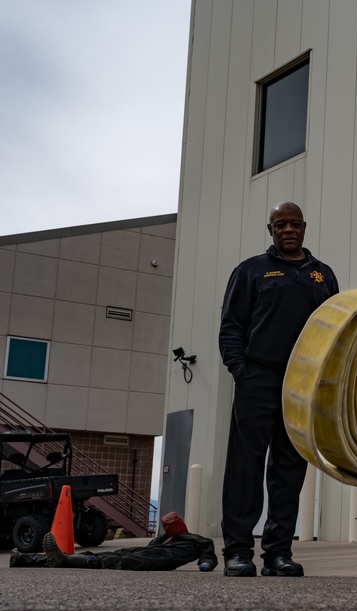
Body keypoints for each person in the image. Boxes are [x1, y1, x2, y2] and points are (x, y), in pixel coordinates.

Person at [219, 201, 339, 577]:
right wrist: (241, 371)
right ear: (270, 230)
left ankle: (277, 554)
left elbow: (336, 329)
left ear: (305, 228)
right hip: (258, 379)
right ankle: (238, 551)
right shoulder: (251, 271)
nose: (288, 230)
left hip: (302, 386)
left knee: (289, 470)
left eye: (294, 224)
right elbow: (231, 327)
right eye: (280, 224)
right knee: (245, 468)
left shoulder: (323, 275)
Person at [9, 512, 217, 571]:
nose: (168, 527)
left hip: (163, 559)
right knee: (114, 555)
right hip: (150, 553)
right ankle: (26, 559)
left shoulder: (195, 540)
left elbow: (207, 548)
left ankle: (64, 560)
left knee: (113, 560)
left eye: (172, 524)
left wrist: (205, 563)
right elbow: (151, 546)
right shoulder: (164, 538)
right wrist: (162, 539)